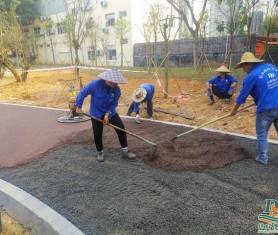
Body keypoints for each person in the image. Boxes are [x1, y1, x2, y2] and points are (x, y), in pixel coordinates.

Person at [75, 68, 136, 162]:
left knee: (121, 129)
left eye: (117, 82)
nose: (116, 84)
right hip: (96, 112)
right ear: (108, 80)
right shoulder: (95, 84)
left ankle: (125, 151)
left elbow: (114, 104)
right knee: (97, 133)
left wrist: (107, 114)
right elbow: (83, 93)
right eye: (114, 82)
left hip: (110, 112)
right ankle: (100, 152)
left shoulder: (117, 90)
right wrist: (78, 106)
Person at [231, 52, 278, 165]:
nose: (243, 70)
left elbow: (241, 97)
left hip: (266, 108)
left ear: (248, 64)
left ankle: (263, 158)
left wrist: (235, 110)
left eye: (243, 67)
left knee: (261, 133)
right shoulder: (271, 67)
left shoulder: (250, 76)